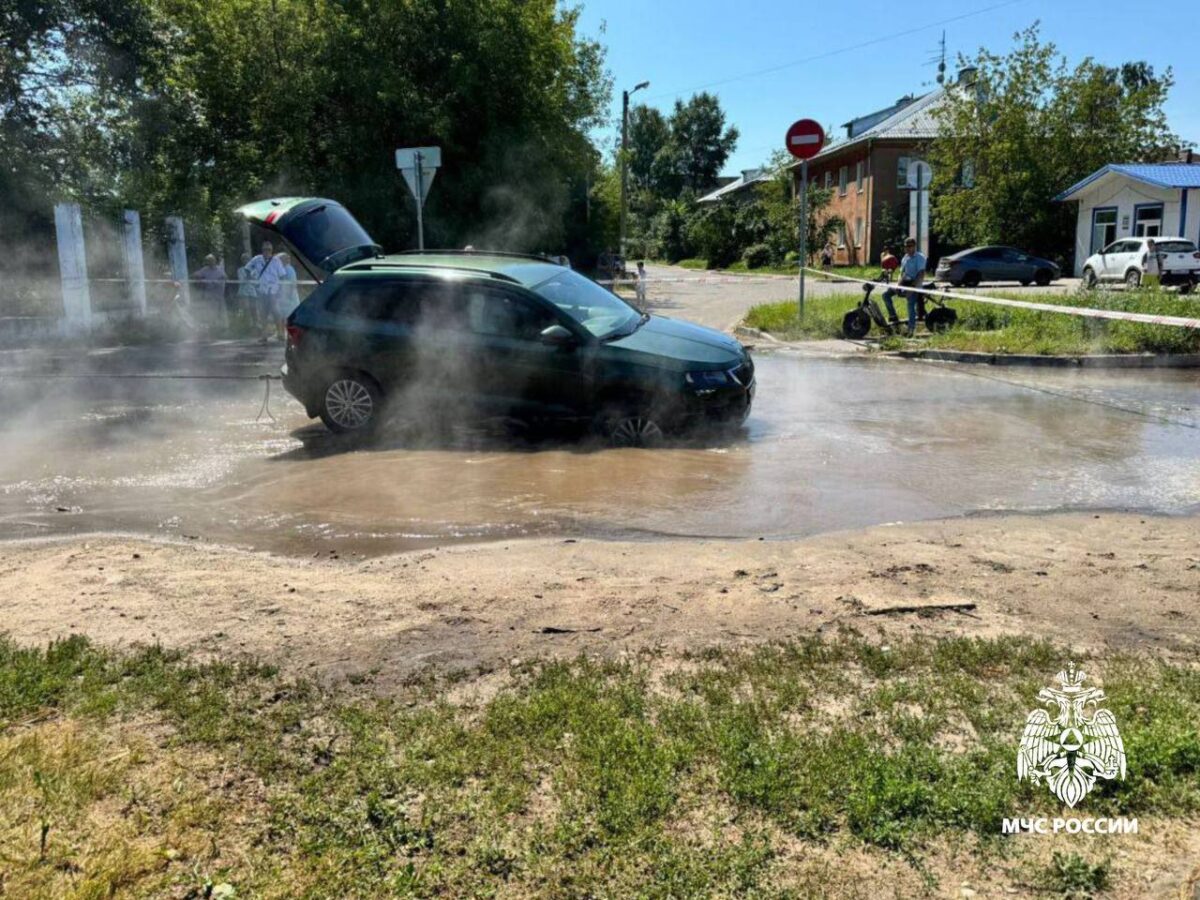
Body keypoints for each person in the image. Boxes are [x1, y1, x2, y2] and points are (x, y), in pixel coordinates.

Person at [882, 238, 926, 335]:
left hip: (914, 285)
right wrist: (898, 284)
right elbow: (901, 273)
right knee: (886, 295)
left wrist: (912, 288)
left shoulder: (920, 257)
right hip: (904, 283)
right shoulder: (905, 258)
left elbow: (921, 274)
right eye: (906, 246)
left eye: (909, 246)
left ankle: (911, 329)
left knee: (910, 303)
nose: (907, 248)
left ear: (914, 246)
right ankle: (893, 316)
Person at [245, 240, 286, 337]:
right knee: (263, 312)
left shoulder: (276, 260)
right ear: (262, 250)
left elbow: (282, 275)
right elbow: (247, 268)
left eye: (269, 249)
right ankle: (264, 334)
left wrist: (281, 289)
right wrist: (252, 279)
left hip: (273, 290)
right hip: (261, 289)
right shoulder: (257, 259)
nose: (267, 251)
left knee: (276, 311)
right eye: (265, 249)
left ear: (271, 250)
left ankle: (280, 332)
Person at [191, 254, 226, 324]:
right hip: (209, 295)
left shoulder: (220, 269)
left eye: (212, 260)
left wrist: (219, 281)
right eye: (208, 261)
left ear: (215, 261)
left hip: (218, 295)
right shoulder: (205, 269)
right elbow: (195, 275)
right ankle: (211, 326)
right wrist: (199, 278)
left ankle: (221, 327)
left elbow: (225, 277)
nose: (210, 262)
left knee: (220, 312)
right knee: (210, 312)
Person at [275, 252, 301, 339]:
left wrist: (289, 296)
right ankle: (281, 334)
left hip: (290, 297)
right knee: (282, 315)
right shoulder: (281, 269)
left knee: (290, 317)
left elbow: (292, 284)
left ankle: (291, 335)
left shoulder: (289, 269)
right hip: (283, 297)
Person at [236, 252, 257, 323]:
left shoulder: (254, 270)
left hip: (252, 291)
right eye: (244, 259)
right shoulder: (240, 270)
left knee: (253, 308)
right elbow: (241, 280)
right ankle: (248, 323)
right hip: (243, 291)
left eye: (247, 259)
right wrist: (248, 276)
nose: (246, 260)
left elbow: (256, 280)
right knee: (246, 308)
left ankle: (256, 323)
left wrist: (251, 277)